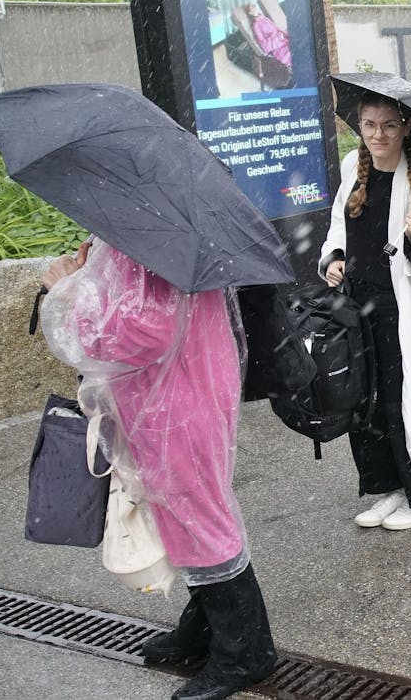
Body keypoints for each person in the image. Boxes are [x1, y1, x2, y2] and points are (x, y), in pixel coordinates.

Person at [39, 239, 276, 700]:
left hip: (177, 401)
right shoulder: (150, 227)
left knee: (203, 521)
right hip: (173, 394)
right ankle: (207, 627)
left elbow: (147, 330)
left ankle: (247, 651)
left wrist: (70, 292)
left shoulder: (149, 237)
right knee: (185, 519)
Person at [320, 92, 411, 531]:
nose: (378, 135)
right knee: (366, 403)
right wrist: (333, 258)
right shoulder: (351, 171)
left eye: (388, 125)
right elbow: (337, 229)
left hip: (401, 315)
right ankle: (387, 486)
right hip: (357, 310)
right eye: (369, 125)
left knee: (404, 404)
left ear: (406, 128)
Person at [245, 2, 290, 69]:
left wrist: (287, 34)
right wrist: (278, 38)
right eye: (253, 6)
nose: (256, 6)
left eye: (255, 5)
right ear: (250, 13)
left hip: (284, 42)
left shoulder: (264, 18)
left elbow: (277, 29)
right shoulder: (256, 26)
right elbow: (264, 46)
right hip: (278, 49)